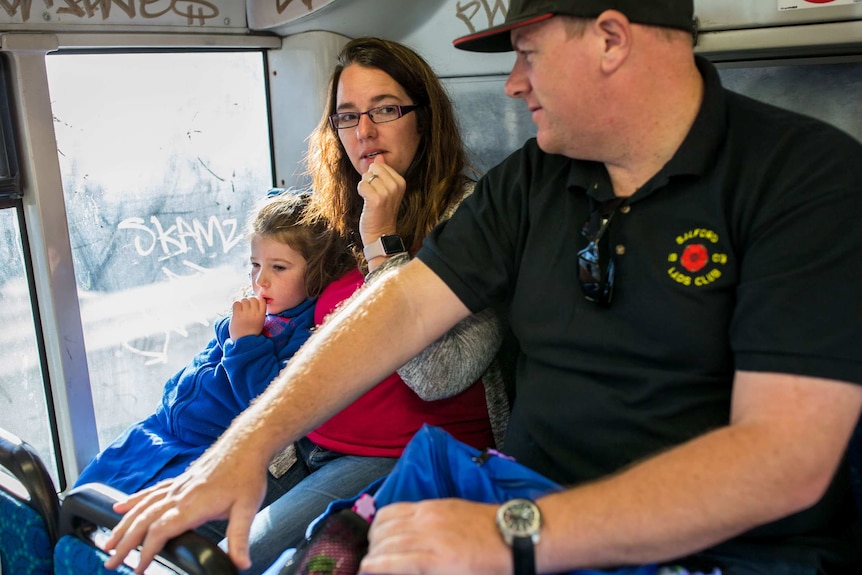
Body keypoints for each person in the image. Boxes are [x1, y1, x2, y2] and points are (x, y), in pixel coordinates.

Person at [104, 2, 862, 574]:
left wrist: (513, 533)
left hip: (723, 551)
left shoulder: (806, 179)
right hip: (518, 496)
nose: (513, 82)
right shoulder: (533, 180)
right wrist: (247, 442)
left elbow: (784, 457)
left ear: (609, 38)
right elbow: (400, 303)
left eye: (528, 53)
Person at [230, 37, 510, 574]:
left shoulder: (476, 218)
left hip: (406, 455)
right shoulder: (336, 209)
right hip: (308, 444)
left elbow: (436, 376)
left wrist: (382, 238)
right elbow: (291, 315)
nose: (365, 132)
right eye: (347, 116)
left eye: (384, 109)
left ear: (423, 120)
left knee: (241, 562)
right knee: (183, 536)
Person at [74, 191, 354, 540]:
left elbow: (270, 402)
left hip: (201, 450)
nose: (260, 280)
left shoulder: (305, 336)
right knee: (83, 498)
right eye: (255, 265)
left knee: (134, 528)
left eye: (278, 268)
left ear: (318, 272)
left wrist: (246, 343)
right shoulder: (257, 313)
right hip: (158, 429)